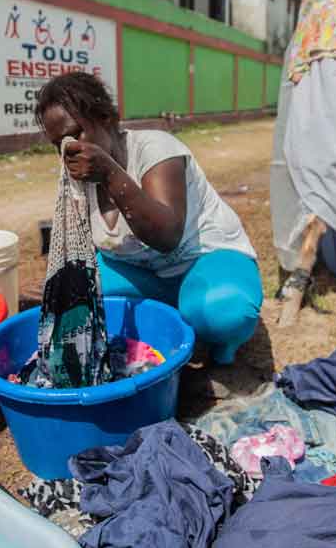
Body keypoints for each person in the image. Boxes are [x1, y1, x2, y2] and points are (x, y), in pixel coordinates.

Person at [34, 72, 262, 364]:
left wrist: (110, 173)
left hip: (203, 260)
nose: (67, 149)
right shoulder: (78, 177)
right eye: (58, 144)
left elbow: (166, 237)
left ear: (105, 118)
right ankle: (172, 317)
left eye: (76, 133)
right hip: (146, 273)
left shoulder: (155, 149)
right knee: (72, 295)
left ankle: (219, 347)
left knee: (222, 312)